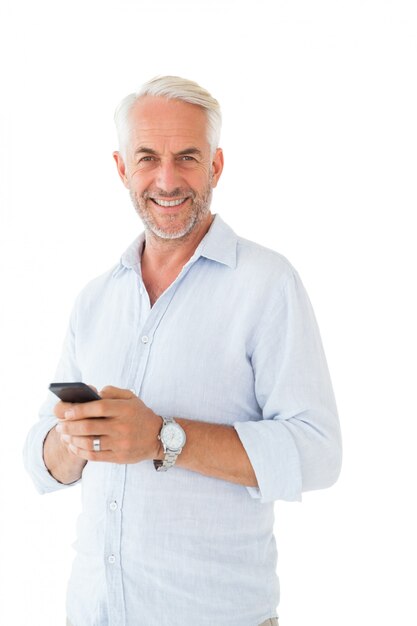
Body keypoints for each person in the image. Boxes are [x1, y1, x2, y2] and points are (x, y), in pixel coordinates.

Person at [24, 76, 342, 626]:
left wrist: (164, 437)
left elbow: (318, 453)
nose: (167, 180)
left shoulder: (267, 284)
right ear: (123, 168)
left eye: (187, 158)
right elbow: (39, 462)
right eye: (147, 157)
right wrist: (72, 439)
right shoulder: (95, 298)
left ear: (216, 166)